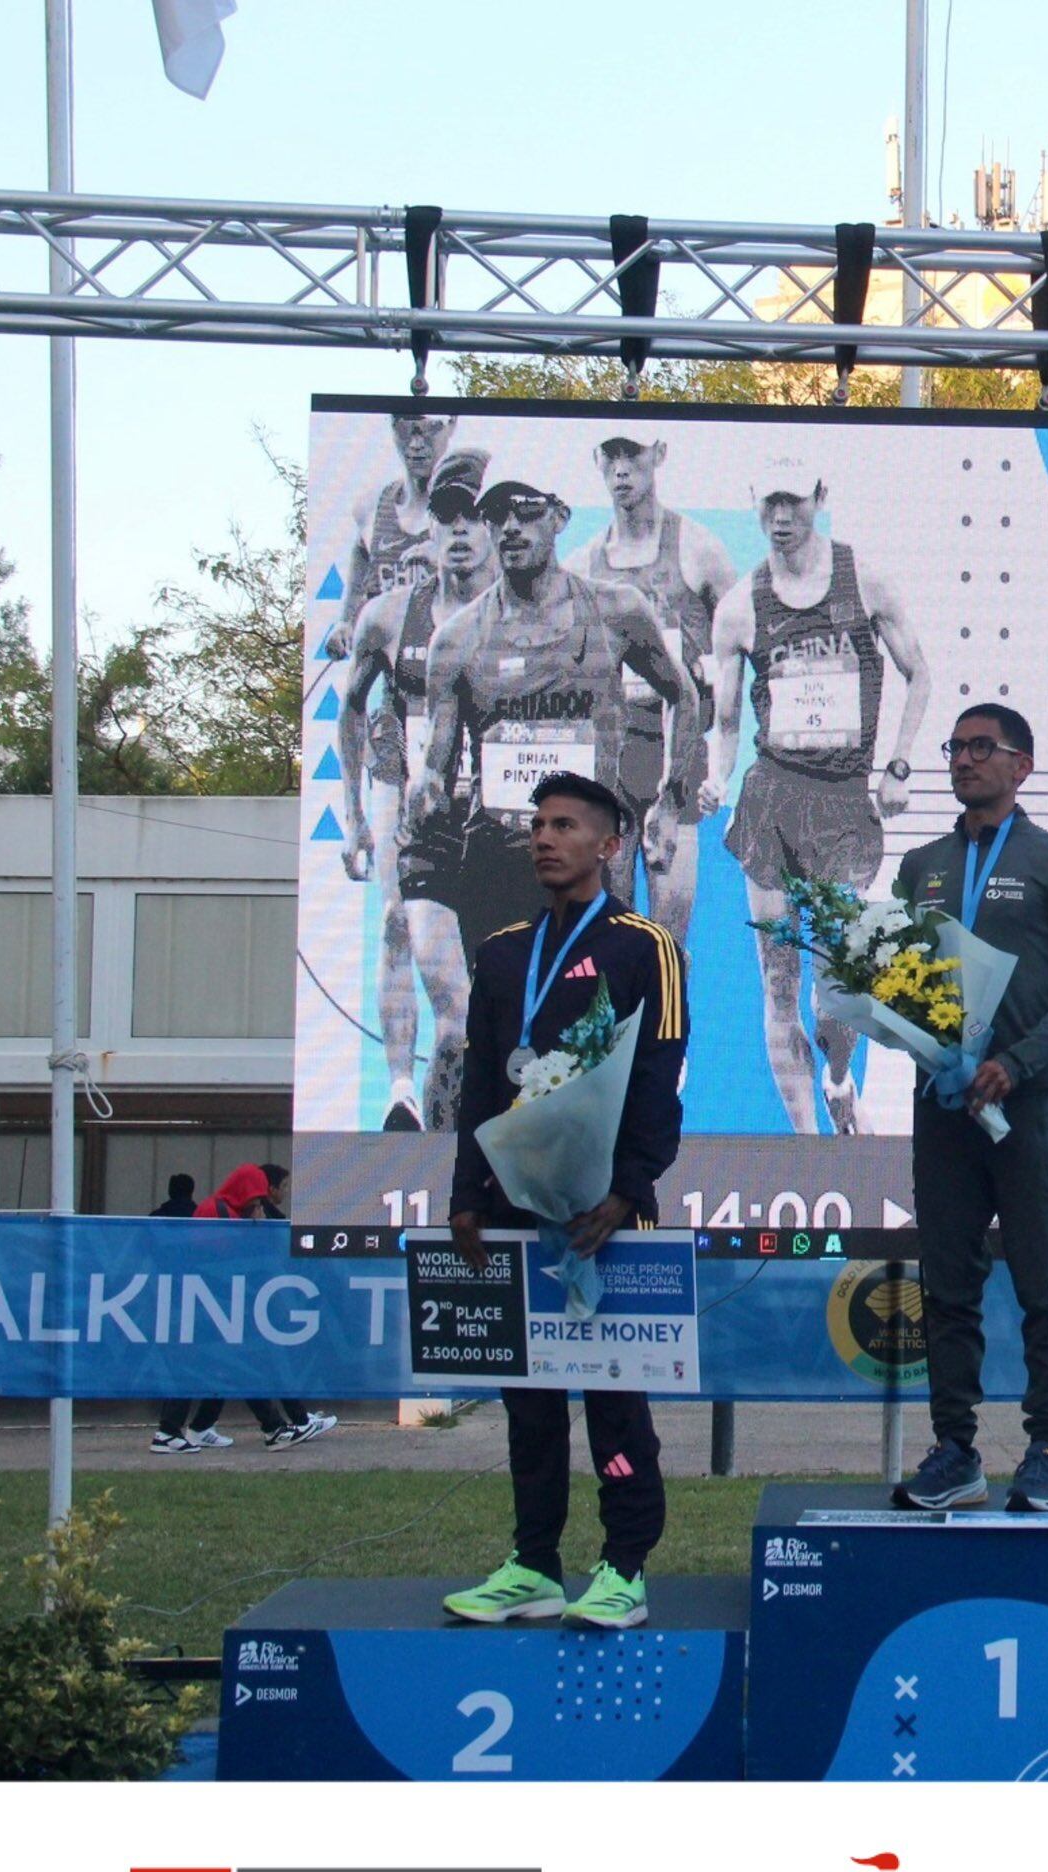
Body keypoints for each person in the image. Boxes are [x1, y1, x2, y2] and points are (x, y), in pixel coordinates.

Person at [443, 771, 689, 1629]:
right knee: (529, 1397)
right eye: (538, 825)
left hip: (604, 1214)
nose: (544, 838)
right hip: (514, 1204)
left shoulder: (642, 944)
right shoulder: (504, 951)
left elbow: (658, 1077)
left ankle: (623, 1565)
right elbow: (481, 1078)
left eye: (565, 825)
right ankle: (534, 1562)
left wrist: (627, 1188)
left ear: (609, 844)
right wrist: (467, 1191)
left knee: (614, 1401)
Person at [891, 706, 1048, 1514]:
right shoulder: (922, 864)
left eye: (983, 748)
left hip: (1023, 1103)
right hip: (943, 1103)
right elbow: (897, 979)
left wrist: (1015, 1064)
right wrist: (919, 1040)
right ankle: (955, 1450)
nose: (964, 760)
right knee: (947, 1281)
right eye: (956, 747)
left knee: (1040, 1277)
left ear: (1023, 765)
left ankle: (1047, 1448)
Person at [702, 453, 933, 1136]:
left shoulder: (865, 582)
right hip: (773, 798)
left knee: (836, 989)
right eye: (769, 503)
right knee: (778, 981)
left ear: (819, 498)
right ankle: (806, 1146)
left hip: (841, 801)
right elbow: (725, 716)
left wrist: (898, 766)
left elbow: (919, 674)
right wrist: (718, 776)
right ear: (755, 503)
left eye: (794, 503)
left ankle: (837, 1080)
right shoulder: (740, 606)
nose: (781, 518)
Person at [405, 473, 692, 988]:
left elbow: (684, 695)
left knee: (591, 1026)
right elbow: (437, 766)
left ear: (558, 519)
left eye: (527, 512)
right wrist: (424, 787)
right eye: (497, 516)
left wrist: (671, 801)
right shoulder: (456, 639)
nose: (511, 527)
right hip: (498, 861)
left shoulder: (616, 611)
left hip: (593, 860)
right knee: (510, 1036)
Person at [341, 448, 499, 1132]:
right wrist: (354, 815)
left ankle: (470, 1094)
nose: (458, 533)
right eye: (445, 521)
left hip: (486, 799)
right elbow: (349, 705)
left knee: (481, 964)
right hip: (400, 784)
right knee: (397, 925)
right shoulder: (387, 614)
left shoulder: (511, 609)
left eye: (471, 519)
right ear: (427, 535)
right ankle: (401, 1088)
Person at [565, 433, 737, 945]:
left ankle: (667, 1025)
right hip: (610, 765)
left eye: (632, 456)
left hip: (674, 760)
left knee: (668, 942)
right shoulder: (581, 566)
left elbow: (740, 649)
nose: (621, 470)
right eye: (611, 457)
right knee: (607, 939)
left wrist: (721, 736)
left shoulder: (699, 550)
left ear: (658, 455)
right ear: (595, 460)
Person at [150, 1165, 335, 1454]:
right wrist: (255, 1229)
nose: (260, 1204)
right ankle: (272, 1428)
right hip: (212, 1304)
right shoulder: (219, 1211)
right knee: (239, 1364)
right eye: (257, 1198)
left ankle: (180, 1430)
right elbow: (232, 1257)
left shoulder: (226, 1209)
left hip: (214, 1304)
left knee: (220, 1367)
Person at [324, 412, 453, 659]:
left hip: (452, 672)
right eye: (406, 428)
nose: (416, 444)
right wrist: (346, 622)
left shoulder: (471, 516)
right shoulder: (371, 507)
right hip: (394, 680)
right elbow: (363, 557)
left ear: (451, 426)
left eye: (430, 428)